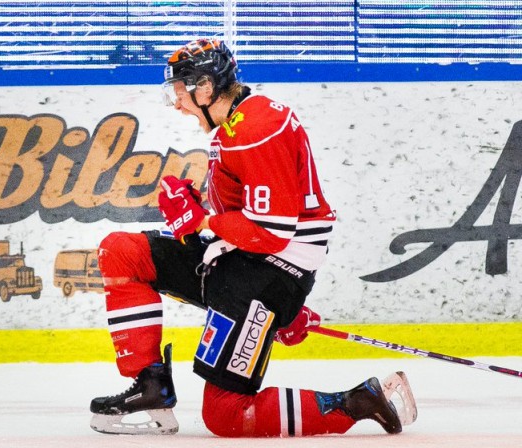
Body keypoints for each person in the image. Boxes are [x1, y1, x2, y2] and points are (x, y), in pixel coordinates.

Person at [89, 39, 417, 437]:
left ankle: (356, 402)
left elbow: (272, 233)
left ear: (206, 88)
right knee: (123, 252)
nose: (176, 103)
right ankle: (151, 386)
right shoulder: (239, 122)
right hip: (244, 258)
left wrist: (204, 221)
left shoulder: (255, 129)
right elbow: (254, 213)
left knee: (226, 415)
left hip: (271, 270)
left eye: (180, 91)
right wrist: (203, 208)